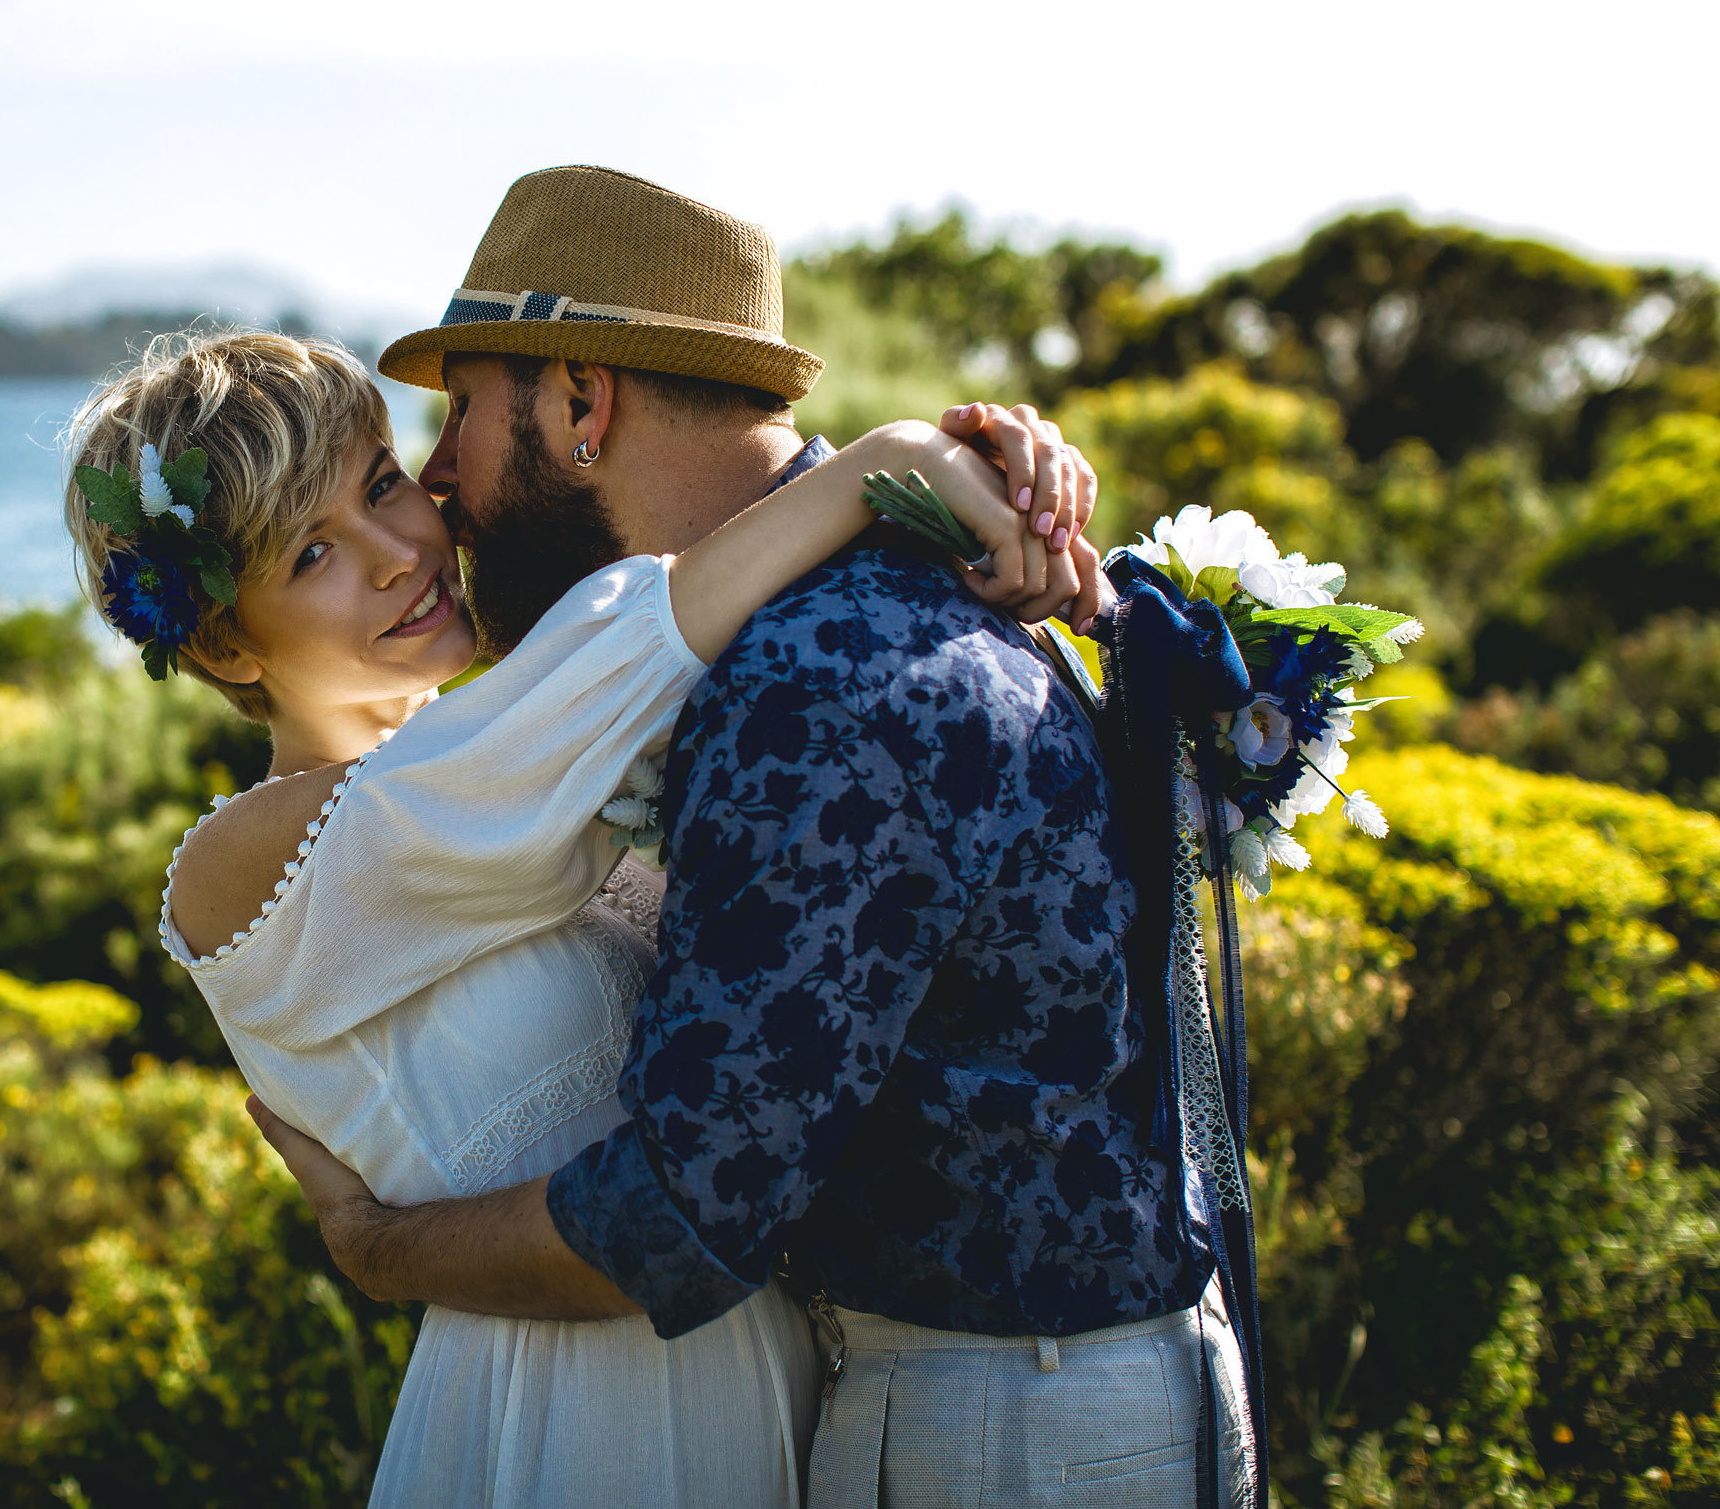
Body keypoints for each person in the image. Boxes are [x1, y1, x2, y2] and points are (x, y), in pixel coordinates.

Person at [246, 165, 1257, 1507]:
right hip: (1071, 1395)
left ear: (580, 402)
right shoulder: (900, 582)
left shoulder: (816, 672)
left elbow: (680, 1214)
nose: (439, 478)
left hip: (999, 1433)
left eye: (462, 415)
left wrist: (380, 1250)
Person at [60, 316, 1100, 1504]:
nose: (398, 550)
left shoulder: (534, 772)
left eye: (381, 486)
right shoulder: (248, 865)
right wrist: (884, 462)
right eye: (310, 555)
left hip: (760, 1371)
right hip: (578, 1413)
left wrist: (1009, 508)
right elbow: (627, 647)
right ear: (222, 642)